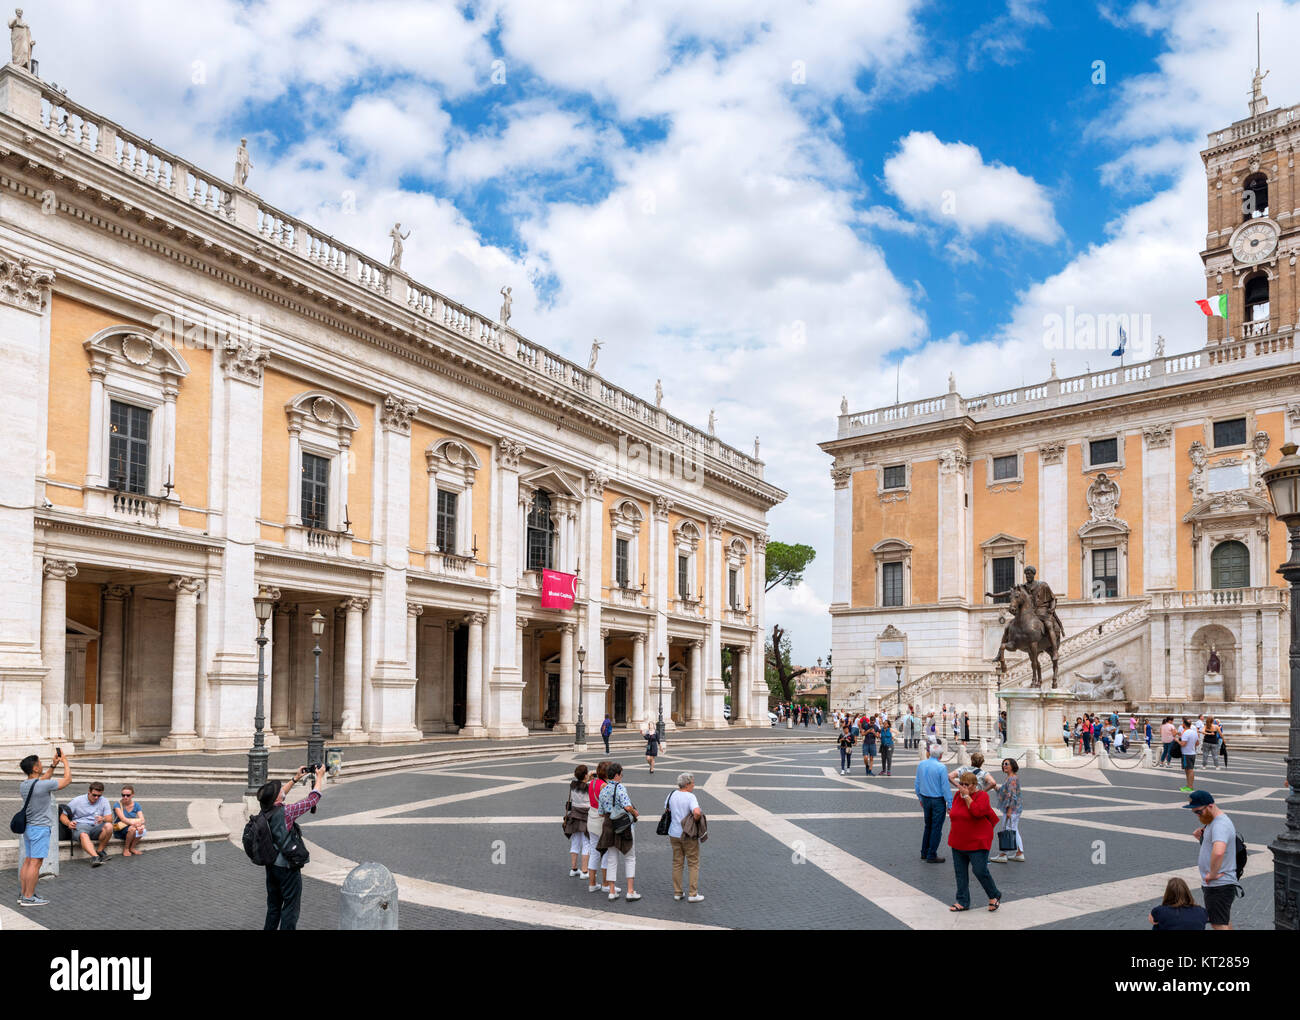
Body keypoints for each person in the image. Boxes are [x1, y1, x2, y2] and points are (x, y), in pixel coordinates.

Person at [256, 764, 325, 930]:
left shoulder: (265, 810)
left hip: (271, 865)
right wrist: (320, 777)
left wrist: (295, 778)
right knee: (290, 908)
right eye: (280, 790)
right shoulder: (286, 813)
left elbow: (282, 794)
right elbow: (312, 799)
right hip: (286, 867)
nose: (282, 790)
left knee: (273, 907)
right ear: (277, 799)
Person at [16, 750, 72, 907]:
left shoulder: (25, 785)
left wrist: (53, 765)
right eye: (39, 763)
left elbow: (43, 779)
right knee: (36, 863)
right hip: (40, 829)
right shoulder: (42, 785)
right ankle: (28, 897)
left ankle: (25, 893)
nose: (41, 765)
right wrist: (65, 762)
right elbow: (67, 780)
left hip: (28, 828)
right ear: (34, 768)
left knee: (28, 861)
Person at [947, 772, 1002, 912]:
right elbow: (954, 813)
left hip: (978, 841)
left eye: (967, 785)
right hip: (958, 840)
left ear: (974, 785)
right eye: (961, 784)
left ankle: (994, 895)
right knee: (960, 873)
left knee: (980, 870)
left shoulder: (982, 796)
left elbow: (977, 812)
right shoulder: (956, 795)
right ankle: (962, 901)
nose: (963, 787)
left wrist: (966, 797)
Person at [1184, 790, 1237, 930]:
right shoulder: (1213, 822)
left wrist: (1213, 874)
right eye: (1194, 812)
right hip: (1220, 883)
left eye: (1199, 812)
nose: (1197, 815)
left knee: (1218, 924)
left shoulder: (1220, 824)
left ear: (1210, 806)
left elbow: (1219, 852)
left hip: (1218, 884)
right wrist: (1201, 837)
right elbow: (1214, 848)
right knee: (1223, 920)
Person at [597, 762, 640, 902]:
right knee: (630, 856)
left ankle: (611, 891)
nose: (622, 776)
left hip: (609, 825)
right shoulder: (620, 787)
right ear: (616, 775)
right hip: (623, 825)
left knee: (611, 858)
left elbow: (601, 813)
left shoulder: (603, 790)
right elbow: (627, 806)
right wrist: (635, 813)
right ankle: (630, 891)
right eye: (621, 774)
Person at [666, 772, 704, 902]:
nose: (694, 786)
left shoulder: (671, 795)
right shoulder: (690, 797)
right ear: (687, 784)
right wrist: (694, 820)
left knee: (677, 863)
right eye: (693, 783)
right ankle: (693, 894)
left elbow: (667, 809)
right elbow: (697, 812)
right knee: (693, 863)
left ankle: (678, 892)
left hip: (673, 833)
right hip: (688, 834)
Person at [914, 745, 952, 864]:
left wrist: (920, 797)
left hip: (925, 798)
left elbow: (917, 783)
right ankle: (932, 854)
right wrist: (949, 803)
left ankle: (924, 852)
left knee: (928, 826)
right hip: (937, 800)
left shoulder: (921, 764)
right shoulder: (941, 767)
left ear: (929, 753)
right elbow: (945, 787)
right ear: (941, 755)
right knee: (936, 828)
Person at [63, 781, 115, 865]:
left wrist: (103, 818)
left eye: (99, 796)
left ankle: (100, 850)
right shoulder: (77, 800)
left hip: (96, 827)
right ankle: (95, 857)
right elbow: (63, 814)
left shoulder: (104, 801)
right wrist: (68, 823)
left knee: (109, 826)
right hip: (80, 826)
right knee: (83, 834)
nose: (96, 798)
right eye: (94, 795)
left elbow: (110, 818)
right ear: (89, 792)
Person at [988, 758, 1024, 863]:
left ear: (1012, 766)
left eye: (1007, 764)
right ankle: (1019, 853)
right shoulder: (1010, 778)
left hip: (1012, 809)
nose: (1004, 765)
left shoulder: (1012, 779)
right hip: (1016, 809)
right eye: (1003, 764)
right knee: (1013, 829)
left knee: (1006, 830)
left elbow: (1012, 796)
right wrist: (995, 787)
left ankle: (1004, 854)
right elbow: (1005, 792)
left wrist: (1009, 811)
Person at [586, 761, 609, 893]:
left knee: (594, 852)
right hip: (601, 821)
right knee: (606, 852)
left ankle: (592, 883)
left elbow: (589, 776)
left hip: (591, 818)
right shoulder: (604, 786)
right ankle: (606, 884)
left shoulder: (592, 783)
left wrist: (592, 774)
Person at [564, 765, 590, 878]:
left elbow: (580, 783)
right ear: (585, 775)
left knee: (575, 843)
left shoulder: (572, 785)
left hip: (574, 816)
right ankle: (584, 871)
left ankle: (574, 868)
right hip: (585, 817)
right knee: (586, 844)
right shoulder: (589, 787)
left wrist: (587, 778)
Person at [112, 785, 147, 856]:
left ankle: (132, 848)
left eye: (128, 795)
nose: (125, 797)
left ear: (132, 795)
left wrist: (140, 825)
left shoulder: (136, 805)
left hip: (132, 826)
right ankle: (126, 849)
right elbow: (123, 819)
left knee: (142, 828)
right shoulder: (117, 805)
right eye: (123, 795)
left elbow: (142, 819)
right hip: (120, 829)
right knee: (132, 829)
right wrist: (136, 825)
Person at [1178, 718, 1199, 793]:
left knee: (1189, 770)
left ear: (1184, 724)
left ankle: (1190, 786)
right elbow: (1197, 743)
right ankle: (1188, 785)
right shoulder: (1194, 732)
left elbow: (1183, 744)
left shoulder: (1186, 733)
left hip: (1186, 753)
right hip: (1192, 753)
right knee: (1188, 770)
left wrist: (1177, 741)